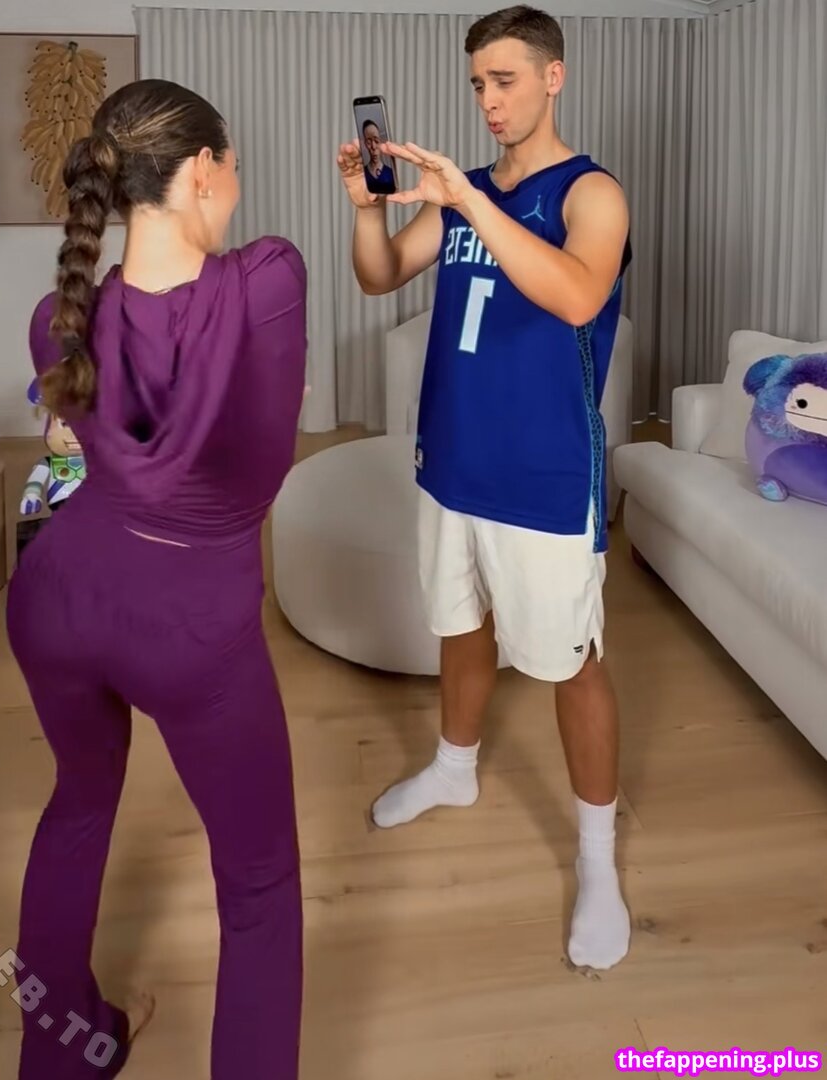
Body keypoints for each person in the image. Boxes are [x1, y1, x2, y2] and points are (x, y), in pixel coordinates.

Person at [6, 78, 308, 1080]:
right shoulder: (266, 282)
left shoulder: (57, 317)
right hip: (187, 626)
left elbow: (81, 456)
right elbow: (255, 456)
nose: (238, 185)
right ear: (200, 172)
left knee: (77, 805)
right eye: (233, 166)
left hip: (55, 597)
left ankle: (62, 1057)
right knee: (258, 882)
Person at [336, 4, 633, 972]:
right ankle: (453, 770)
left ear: (552, 76)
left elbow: (578, 295)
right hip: (451, 459)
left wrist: (470, 200)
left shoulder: (592, 192)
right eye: (477, 84)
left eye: (504, 80)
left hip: (544, 473)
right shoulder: (463, 194)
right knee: (459, 625)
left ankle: (596, 860)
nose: (488, 101)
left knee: (570, 662)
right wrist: (369, 208)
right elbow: (382, 275)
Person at [361, 119, 396, 190]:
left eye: (376, 141)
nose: (373, 147)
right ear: (365, 144)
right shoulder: (361, 174)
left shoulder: (391, 173)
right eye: (369, 142)